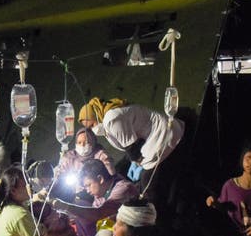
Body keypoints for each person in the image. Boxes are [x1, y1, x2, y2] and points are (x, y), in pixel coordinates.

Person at [78, 97, 186, 228]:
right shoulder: (108, 120)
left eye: (92, 125)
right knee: (155, 185)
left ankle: (164, 226)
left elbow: (132, 148)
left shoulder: (111, 119)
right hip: (156, 143)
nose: (93, 129)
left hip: (163, 138)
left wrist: (138, 162)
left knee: (149, 190)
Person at [51, 159, 139, 236]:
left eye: (88, 185)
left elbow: (99, 214)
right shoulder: (100, 197)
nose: (87, 190)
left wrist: (66, 207)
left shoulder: (123, 189)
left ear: (100, 179)